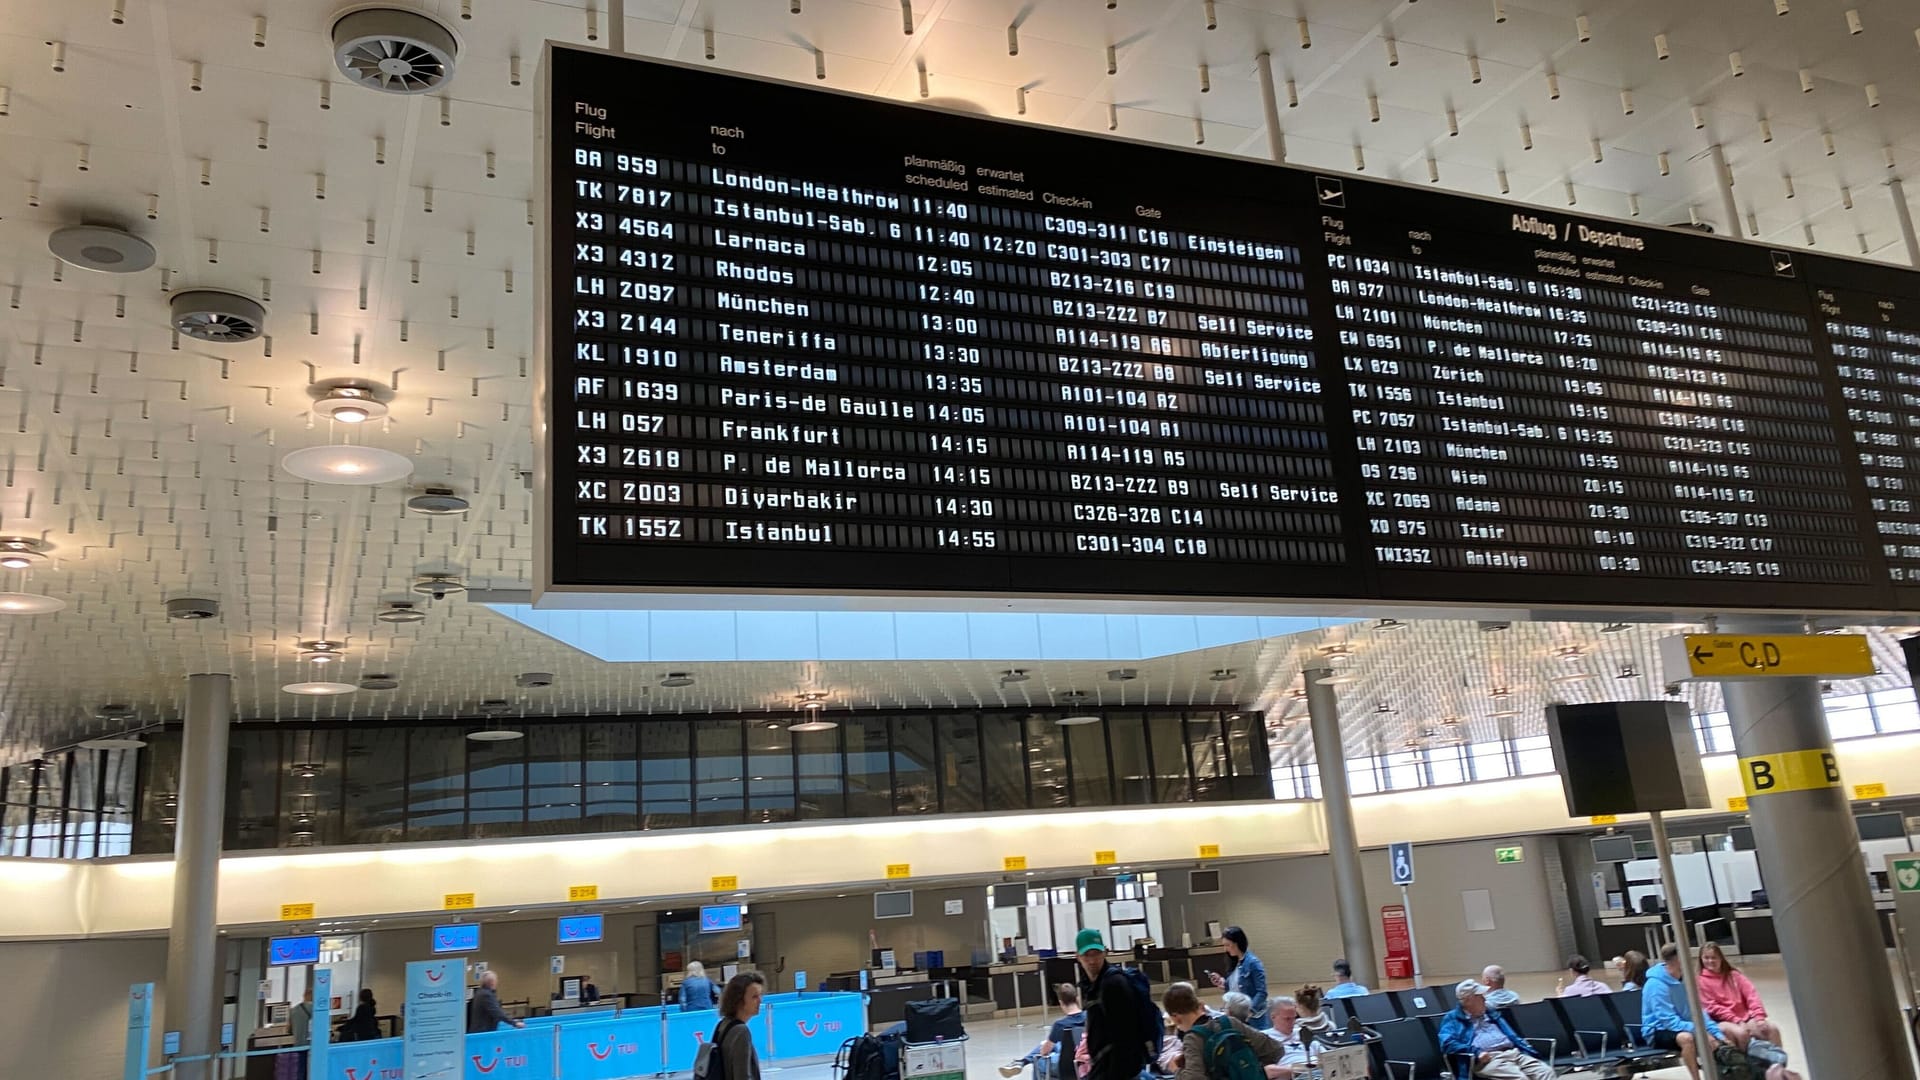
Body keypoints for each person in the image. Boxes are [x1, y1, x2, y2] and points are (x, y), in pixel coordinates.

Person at [1642, 943, 1740, 1080]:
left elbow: (1699, 1011)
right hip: (1657, 1030)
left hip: (1685, 1025)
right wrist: (1700, 1031)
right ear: (1678, 959)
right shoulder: (1656, 985)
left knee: (1720, 1036)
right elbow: (1668, 1021)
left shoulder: (1686, 980)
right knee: (1687, 1038)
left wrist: (1717, 1033)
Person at [1162, 981, 1286, 1080]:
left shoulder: (1193, 1038)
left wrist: (1176, 1070)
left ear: (1176, 1017)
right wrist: (1249, 1069)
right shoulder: (1230, 1022)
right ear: (1199, 1004)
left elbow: (1195, 1077)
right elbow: (1276, 1049)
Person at [1074, 928, 1151, 1080]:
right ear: (1078, 957)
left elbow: (1126, 1034)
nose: (1092, 960)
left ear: (1105, 952)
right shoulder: (1091, 985)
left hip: (1118, 1070)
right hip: (1103, 1065)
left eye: (1096, 953)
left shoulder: (1114, 984)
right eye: (1086, 955)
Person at [1436, 980, 1552, 1080]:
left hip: (1513, 1053)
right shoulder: (1452, 1019)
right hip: (1488, 1060)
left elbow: (1512, 1035)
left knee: (1546, 1072)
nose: (1484, 999)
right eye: (1479, 996)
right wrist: (1477, 1052)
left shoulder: (1491, 1012)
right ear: (1467, 1000)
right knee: (1519, 1078)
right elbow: (1447, 1043)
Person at [1697, 943, 1781, 1046]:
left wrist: (1759, 1017)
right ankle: (1749, 1061)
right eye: (1706, 958)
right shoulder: (1700, 981)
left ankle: (1778, 1060)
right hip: (1722, 1021)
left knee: (1772, 1029)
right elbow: (1712, 1007)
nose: (1710, 961)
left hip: (1746, 1017)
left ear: (1721, 958)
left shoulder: (1734, 975)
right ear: (1701, 959)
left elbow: (1752, 995)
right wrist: (1737, 1021)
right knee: (1741, 1034)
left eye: (1714, 957)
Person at [999, 984, 1086, 1079]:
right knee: (1056, 1045)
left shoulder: (1060, 1025)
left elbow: (1044, 1052)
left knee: (1038, 1059)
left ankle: (1022, 1062)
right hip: (1088, 1060)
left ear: (1061, 1003)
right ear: (1077, 998)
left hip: (1066, 1066)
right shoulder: (1089, 1017)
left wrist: (1045, 1046)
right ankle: (1021, 1062)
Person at [1208, 926, 1270, 1029]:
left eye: (1228, 945)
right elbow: (1237, 986)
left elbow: (1262, 992)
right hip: (1236, 1014)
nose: (1225, 949)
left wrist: (1250, 1011)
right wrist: (1223, 983)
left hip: (1252, 1018)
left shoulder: (1253, 963)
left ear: (1237, 943)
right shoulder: (1234, 962)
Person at [712, 972, 766, 1080]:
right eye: (754, 997)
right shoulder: (741, 1031)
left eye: (760, 995)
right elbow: (742, 1075)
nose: (760, 1001)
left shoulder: (723, 1025)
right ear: (739, 1000)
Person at [1259, 996, 1311, 1080]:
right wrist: (1304, 1068)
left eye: (1294, 1018)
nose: (1293, 1023)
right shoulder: (1264, 1038)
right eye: (1287, 1019)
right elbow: (1267, 1071)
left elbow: (1327, 1056)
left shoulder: (1303, 1032)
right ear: (1273, 1017)